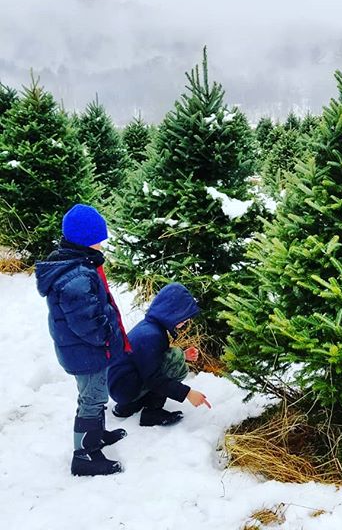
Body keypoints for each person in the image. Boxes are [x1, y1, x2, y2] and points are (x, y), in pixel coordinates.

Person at [35, 203, 131, 476]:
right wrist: (105, 336)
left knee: (95, 395)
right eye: (98, 240)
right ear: (86, 241)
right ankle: (85, 456)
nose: (101, 245)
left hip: (85, 350)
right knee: (92, 397)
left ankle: (97, 434)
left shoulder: (79, 265)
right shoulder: (76, 277)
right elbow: (86, 322)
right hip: (87, 351)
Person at [107, 282, 211, 426]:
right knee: (174, 359)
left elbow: (147, 361)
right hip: (124, 389)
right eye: (184, 316)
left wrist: (184, 355)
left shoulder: (149, 327)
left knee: (175, 356)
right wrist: (187, 393)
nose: (187, 321)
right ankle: (152, 412)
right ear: (172, 312)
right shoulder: (151, 335)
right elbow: (154, 378)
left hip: (121, 385)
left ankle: (128, 406)